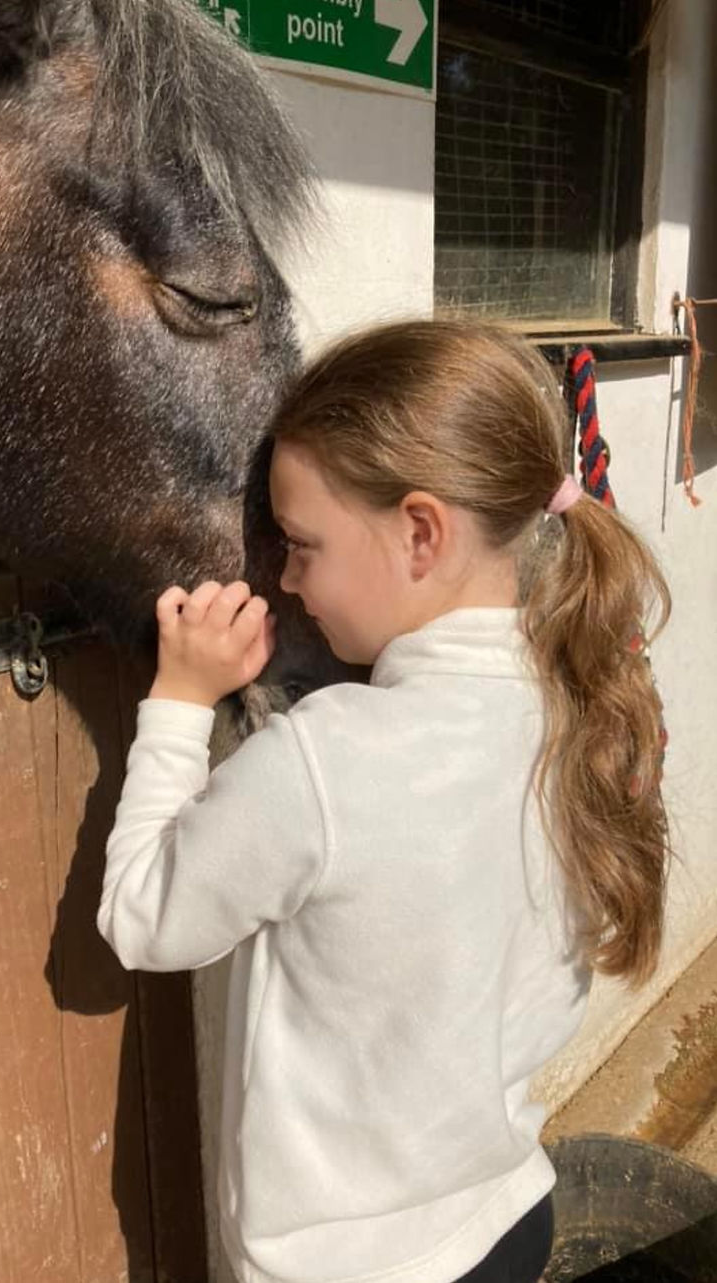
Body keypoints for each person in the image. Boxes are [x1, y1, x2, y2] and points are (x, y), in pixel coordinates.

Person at [97, 319, 671, 1283]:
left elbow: (141, 920)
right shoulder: (582, 705)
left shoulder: (325, 759)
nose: (286, 580)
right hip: (509, 1220)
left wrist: (180, 701)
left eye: (302, 543)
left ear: (420, 533)